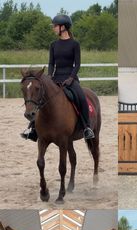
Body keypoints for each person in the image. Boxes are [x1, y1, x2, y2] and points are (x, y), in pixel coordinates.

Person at [21, 14, 94, 142]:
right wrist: (49, 76)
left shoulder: (74, 44)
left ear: (63, 27)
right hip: (55, 77)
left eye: (55, 26)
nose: (53, 28)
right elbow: (51, 63)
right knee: (41, 98)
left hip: (70, 78)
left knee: (81, 97)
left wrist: (71, 78)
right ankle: (32, 129)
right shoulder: (53, 44)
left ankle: (87, 127)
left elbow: (77, 64)